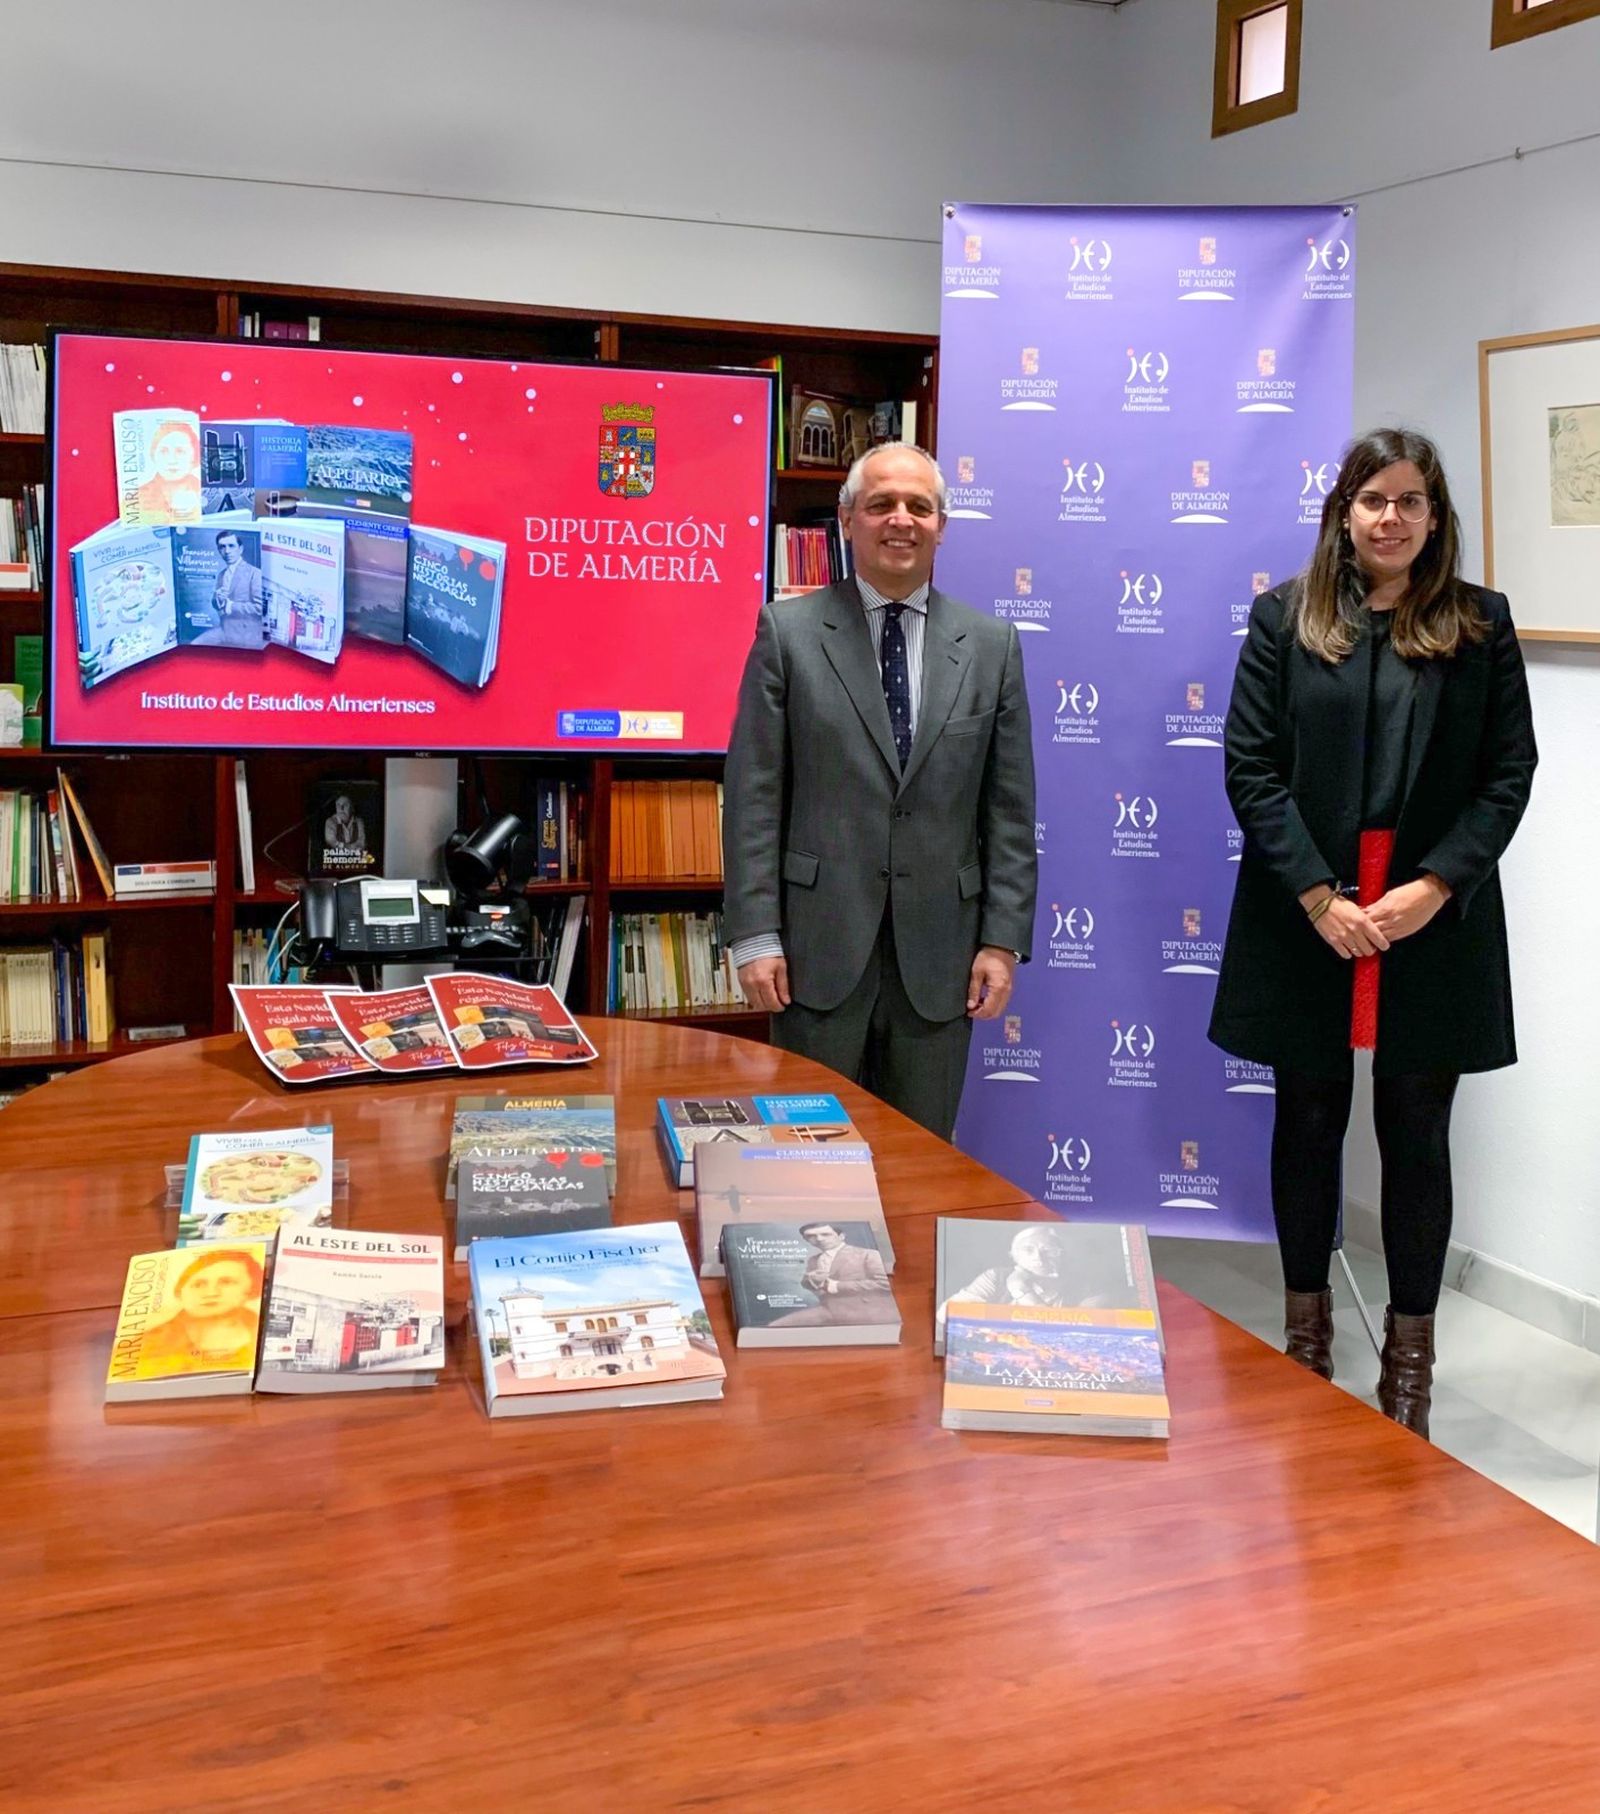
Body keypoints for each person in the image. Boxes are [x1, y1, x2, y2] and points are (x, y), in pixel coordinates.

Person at [1209, 427, 1537, 1440]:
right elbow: (1250, 766)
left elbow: (1506, 775)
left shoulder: (1481, 624)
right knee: (1304, 1123)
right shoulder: (1283, 618)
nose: (1389, 518)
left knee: (1415, 1134)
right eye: (1371, 501)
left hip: (1429, 921)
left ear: (1435, 517)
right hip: (1306, 911)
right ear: (1341, 515)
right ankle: (1305, 1342)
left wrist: (1436, 884)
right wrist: (1317, 894)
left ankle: (1408, 1362)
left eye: (1408, 501)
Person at [722, 443, 1037, 1141]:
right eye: (882, 504)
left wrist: (1002, 942)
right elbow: (753, 797)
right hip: (813, 952)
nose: (902, 520)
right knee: (806, 1156)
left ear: (941, 525)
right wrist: (753, 935)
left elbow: (1010, 813)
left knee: (922, 1157)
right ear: (848, 520)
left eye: (919, 506)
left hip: (942, 959)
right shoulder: (789, 633)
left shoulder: (992, 646)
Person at [138, 1248, 264, 1373]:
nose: (211, 1293)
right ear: (180, 1293)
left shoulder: (265, 1335)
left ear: (252, 1288)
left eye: (226, 1282)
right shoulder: (146, 1346)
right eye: (198, 1284)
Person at [768, 1222, 893, 1328]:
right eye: (811, 1236)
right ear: (806, 1240)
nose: (819, 1239)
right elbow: (809, 1284)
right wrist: (810, 1280)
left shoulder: (868, 1254)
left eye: (825, 1234)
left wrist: (837, 1286)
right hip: (828, 1309)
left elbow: (885, 1284)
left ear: (841, 1236)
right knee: (774, 1327)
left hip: (865, 1310)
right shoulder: (814, 1259)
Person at [135, 418, 203, 524]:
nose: (172, 460)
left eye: (180, 451)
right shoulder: (135, 501)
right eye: (164, 451)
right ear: (154, 455)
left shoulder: (206, 494)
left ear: (194, 456)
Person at [211, 529, 265, 646]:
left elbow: (260, 608)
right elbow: (215, 603)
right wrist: (218, 599)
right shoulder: (221, 574)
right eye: (222, 547)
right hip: (224, 633)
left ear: (240, 549)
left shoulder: (254, 573)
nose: (227, 551)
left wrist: (231, 606)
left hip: (247, 637)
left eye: (231, 546)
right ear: (219, 551)